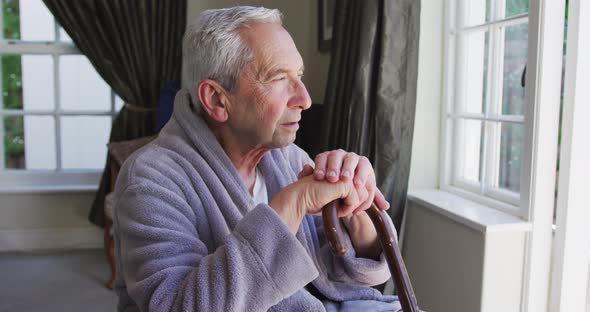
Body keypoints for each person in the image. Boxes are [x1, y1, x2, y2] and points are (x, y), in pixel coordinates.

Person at [113, 6, 403, 312]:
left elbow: (342, 275)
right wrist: (292, 204)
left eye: (299, 76)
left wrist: (355, 209)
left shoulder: (289, 159)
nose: (304, 99)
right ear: (217, 99)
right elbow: (180, 306)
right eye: (278, 78)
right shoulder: (150, 179)